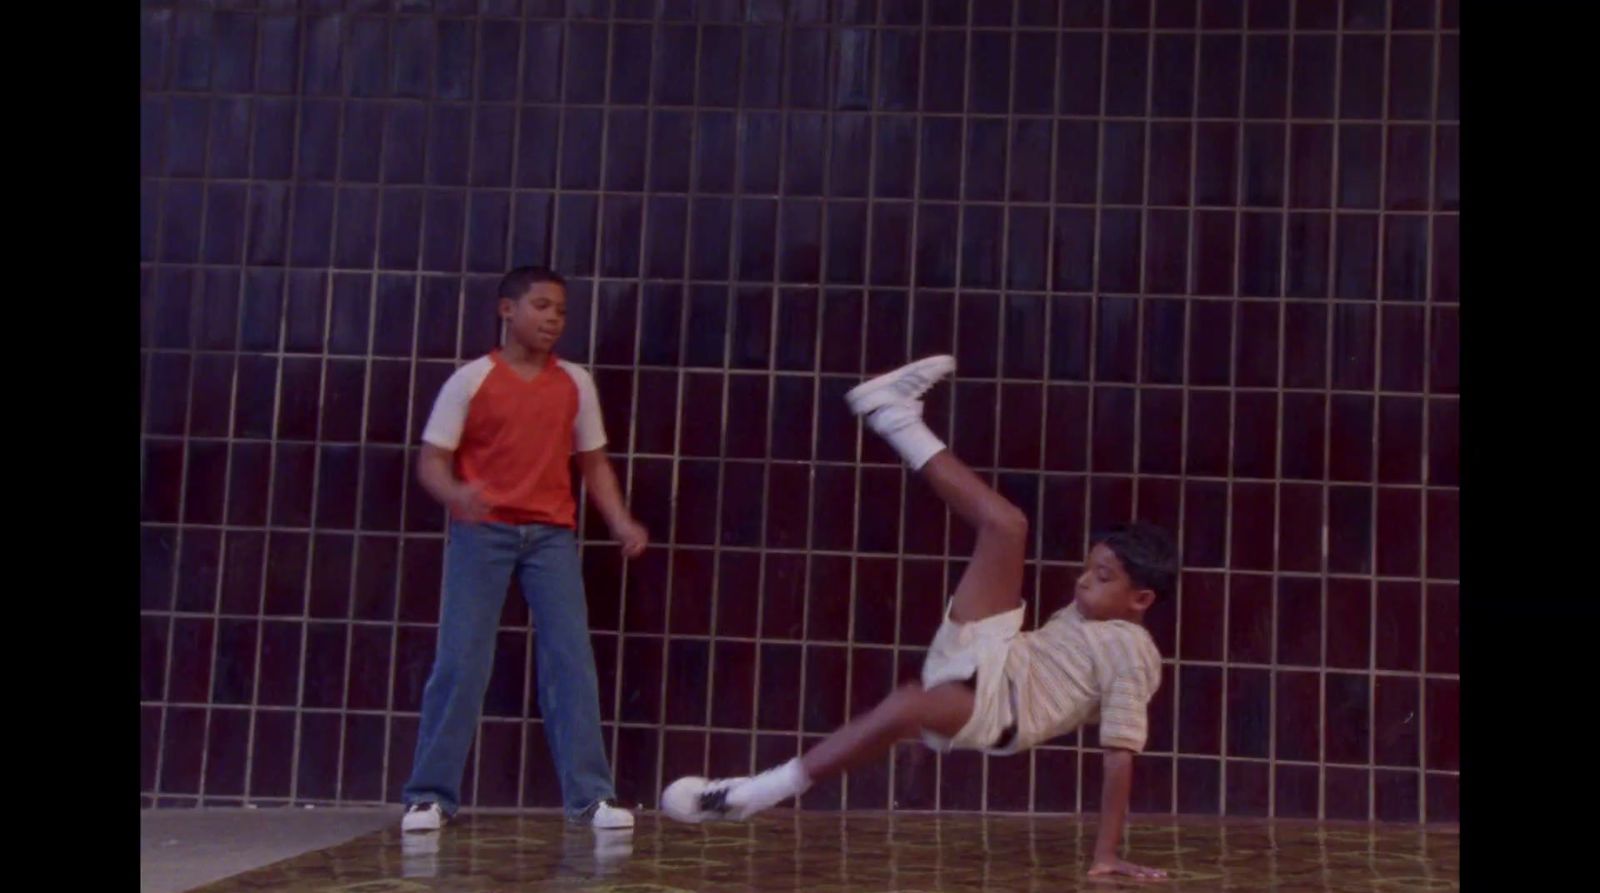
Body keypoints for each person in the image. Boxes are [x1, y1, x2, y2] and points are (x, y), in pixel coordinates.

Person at [661, 355, 1173, 880]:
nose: (1085, 580)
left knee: (909, 701)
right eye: (1088, 568)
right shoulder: (1089, 616)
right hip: (998, 651)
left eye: (1104, 577)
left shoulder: (1134, 653)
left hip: (1002, 707)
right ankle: (893, 414)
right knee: (1006, 527)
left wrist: (1106, 853)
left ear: (1142, 601)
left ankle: (748, 794)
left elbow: (1118, 756)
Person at [401, 266, 648, 834]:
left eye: (560, 310)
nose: (553, 319)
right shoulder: (471, 381)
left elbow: (593, 462)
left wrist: (619, 521)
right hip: (481, 534)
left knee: (571, 663)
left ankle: (592, 797)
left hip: (551, 537)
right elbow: (431, 461)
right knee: (461, 661)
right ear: (506, 310)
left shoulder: (575, 383)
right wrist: (457, 495)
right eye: (541, 306)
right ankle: (428, 796)